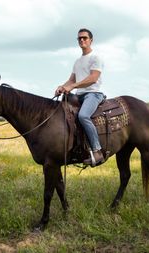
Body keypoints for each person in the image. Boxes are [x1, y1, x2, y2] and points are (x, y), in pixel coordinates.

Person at [55, 28, 105, 167]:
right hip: (79, 95)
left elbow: (93, 78)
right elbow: (71, 81)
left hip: (93, 94)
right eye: (79, 38)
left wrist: (74, 86)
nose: (82, 40)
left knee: (83, 116)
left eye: (84, 38)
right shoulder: (77, 62)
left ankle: (97, 151)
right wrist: (62, 87)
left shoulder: (96, 58)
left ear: (91, 40)